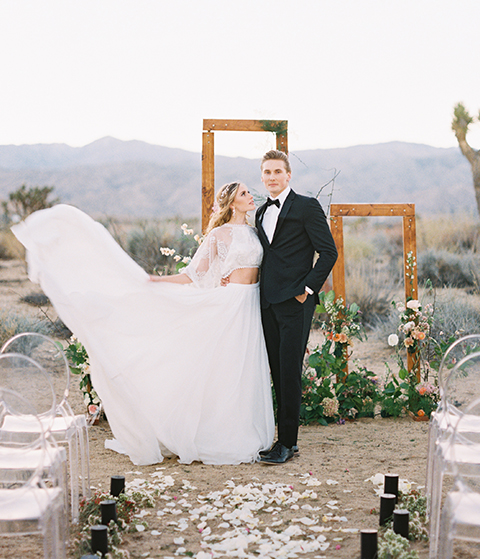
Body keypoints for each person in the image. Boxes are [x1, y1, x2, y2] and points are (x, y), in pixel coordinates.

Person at [11, 182, 274, 466]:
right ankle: (216, 434)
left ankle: (242, 428)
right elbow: (194, 274)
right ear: (232, 203)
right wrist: (157, 281)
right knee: (225, 369)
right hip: (228, 305)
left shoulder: (253, 231)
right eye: (244, 193)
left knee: (244, 367)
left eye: (249, 193)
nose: (250, 196)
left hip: (250, 303)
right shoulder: (219, 235)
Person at [255, 150, 338, 464]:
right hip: (267, 304)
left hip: (296, 303)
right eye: (267, 172)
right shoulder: (260, 212)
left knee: (290, 372)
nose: (272, 177)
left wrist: (306, 289)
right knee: (276, 371)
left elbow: (328, 252)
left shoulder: (306, 207)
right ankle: (281, 438)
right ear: (262, 176)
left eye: (278, 171)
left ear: (288, 175)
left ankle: (287, 443)